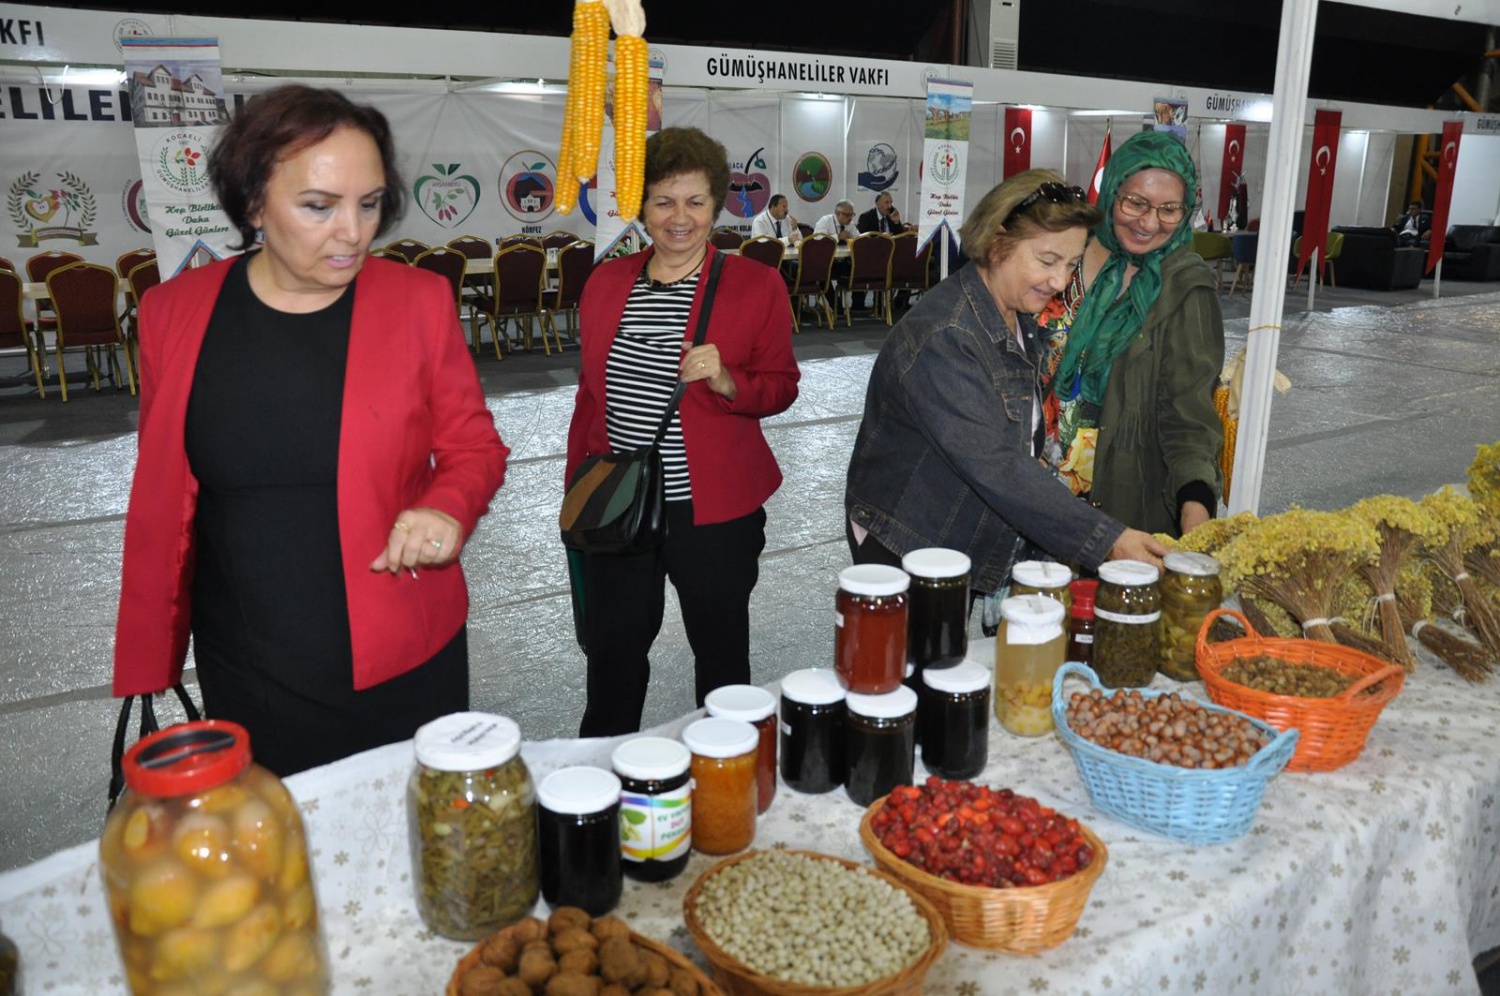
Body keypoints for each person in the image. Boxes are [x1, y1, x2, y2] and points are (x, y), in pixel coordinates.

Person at [112, 85, 508, 777]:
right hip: (249, 660)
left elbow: (475, 446)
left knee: (414, 843)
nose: (352, 232)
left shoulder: (417, 302)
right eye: (319, 207)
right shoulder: (173, 314)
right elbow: (166, 492)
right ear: (254, 203)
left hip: (402, 649)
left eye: (369, 203)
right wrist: (152, 646)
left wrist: (447, 507)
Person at [566, 126, 799, 736]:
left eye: (695, 202)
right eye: (664, 201)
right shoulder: (606, 285)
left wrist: (728, 381)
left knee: (721, 659)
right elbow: (591, 399)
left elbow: (781, 385)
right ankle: (600, 786)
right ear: (641, 207)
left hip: (714, 511)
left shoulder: (756, 285)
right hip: (619, 503)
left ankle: (728, 781)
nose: (680, 218)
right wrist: (577, 494)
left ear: (718, 206)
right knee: (612, 657)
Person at [845, 170, 1165, 598]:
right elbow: (996, 463)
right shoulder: (948, 336)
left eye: (1070, 264)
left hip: (954, 533)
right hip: (909, 538)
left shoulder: (1015, 316)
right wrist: (1107, 538)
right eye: (1047, 261)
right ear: (997, 244)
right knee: (922, 661)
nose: (1060, 282)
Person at [1039, 130, 1223, 539]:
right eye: (1135, 202)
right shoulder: (1063, 258)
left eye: (1169, 209)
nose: (1149, 222)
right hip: (1030, 492)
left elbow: (1189, 416)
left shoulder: (1186, 289)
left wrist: (1197, 515)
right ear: (1112, 192)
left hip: (1120, 508)